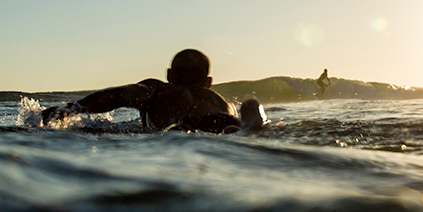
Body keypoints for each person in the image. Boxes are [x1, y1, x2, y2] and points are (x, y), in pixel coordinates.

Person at [41, 49, 266, 133]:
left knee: (179, 125)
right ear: (208, 82)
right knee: (235, 126)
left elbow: (117, 95)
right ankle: (252, 118)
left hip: (178, 127)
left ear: (169, 75)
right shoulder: (223, 102)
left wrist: (69, 109)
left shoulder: (159, 89)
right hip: (222, 123)